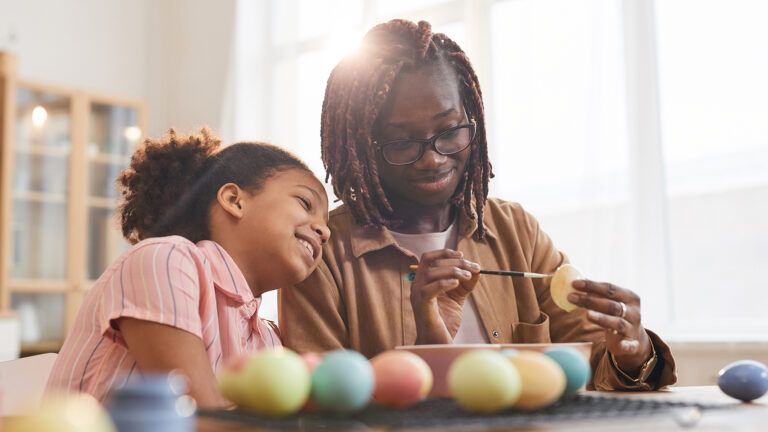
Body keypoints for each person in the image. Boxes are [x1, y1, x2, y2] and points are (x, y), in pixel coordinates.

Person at [280, 19, 676, 390]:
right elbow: (319, 405)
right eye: (401, 142)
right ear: (359, 148)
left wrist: (633, 350)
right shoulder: (321, 254)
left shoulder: (514, 229)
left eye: (450, 131)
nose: (433, 158)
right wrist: (427, 349)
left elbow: (594, 368)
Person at [47, 129, 330, 407]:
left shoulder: (267, 339)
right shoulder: (164, 260)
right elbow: (200, 418)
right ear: (234, 200)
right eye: (306, 203)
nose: (324, 231)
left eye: (326, 223)